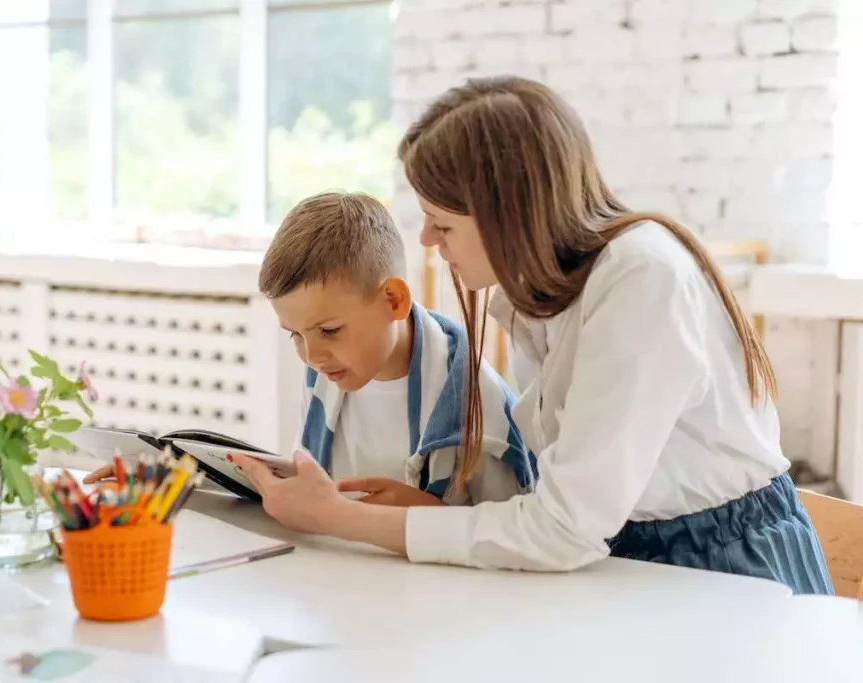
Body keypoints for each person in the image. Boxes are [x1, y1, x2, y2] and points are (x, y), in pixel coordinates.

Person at [231, 76, 834, 596]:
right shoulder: (535, 300)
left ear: (508, 212)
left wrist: (340, 518)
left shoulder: (641, 280)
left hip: (723, 571)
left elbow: (564, 527)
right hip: (625, 561)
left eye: (442, 223)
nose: (427, 242)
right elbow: (559, 509)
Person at [86, 191, 537, 509]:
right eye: (294, 335)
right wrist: (172, 477)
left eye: (330, 330)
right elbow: (317, 492)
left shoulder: (478, 403)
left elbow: (517, 533)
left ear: (394, 301)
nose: (311, 356)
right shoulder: (329, 373)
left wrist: (430, 519)